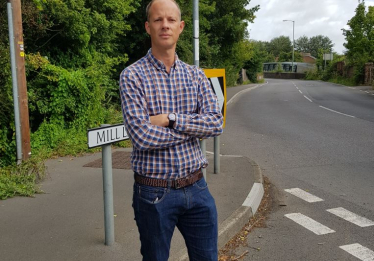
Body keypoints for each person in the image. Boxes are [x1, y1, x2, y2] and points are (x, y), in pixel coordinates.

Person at [119, 0, 223, 260]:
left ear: (181, 27)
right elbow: (141, 136)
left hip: (197, 187)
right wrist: (191, 129)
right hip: (154, 193)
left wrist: (170, 118)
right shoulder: (132, 76)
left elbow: (215, 123)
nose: (164, 25)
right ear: (148, 27)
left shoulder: (196, 76)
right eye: (158, 20)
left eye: (171, 20)